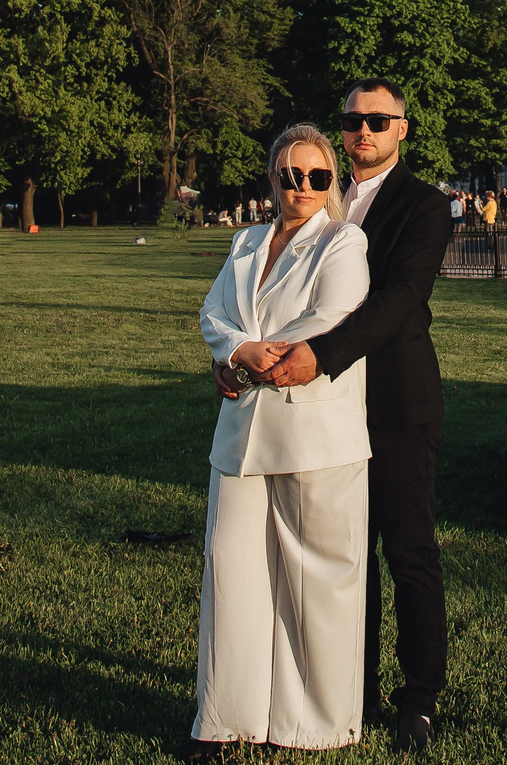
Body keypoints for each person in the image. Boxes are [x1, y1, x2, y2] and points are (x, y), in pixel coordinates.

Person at [239, 79, 453, 755]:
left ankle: (417, 698)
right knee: (339, 560)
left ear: (402, 129)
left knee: (408, 553)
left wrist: (320, 355)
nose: (364, 130)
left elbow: (400, 298)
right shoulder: (316, 202)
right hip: (321, 416)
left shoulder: (424, 205)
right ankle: (345, 691)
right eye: (353, 120)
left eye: (378, 120)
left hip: (394, 404)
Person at [190, 122, 373, 754]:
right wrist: (235, 350)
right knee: (231, 568)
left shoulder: (344, 241)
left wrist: (260, 357)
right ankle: (225, 721)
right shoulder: (245, 241)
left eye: (316, 176)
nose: (301, 186)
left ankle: (315, 724)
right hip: (241, 431)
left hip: (314, 429)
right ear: (273, 179)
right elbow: (215, 312)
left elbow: (332, 317)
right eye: (289, 174)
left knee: (317, 578)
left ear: (330, 184)